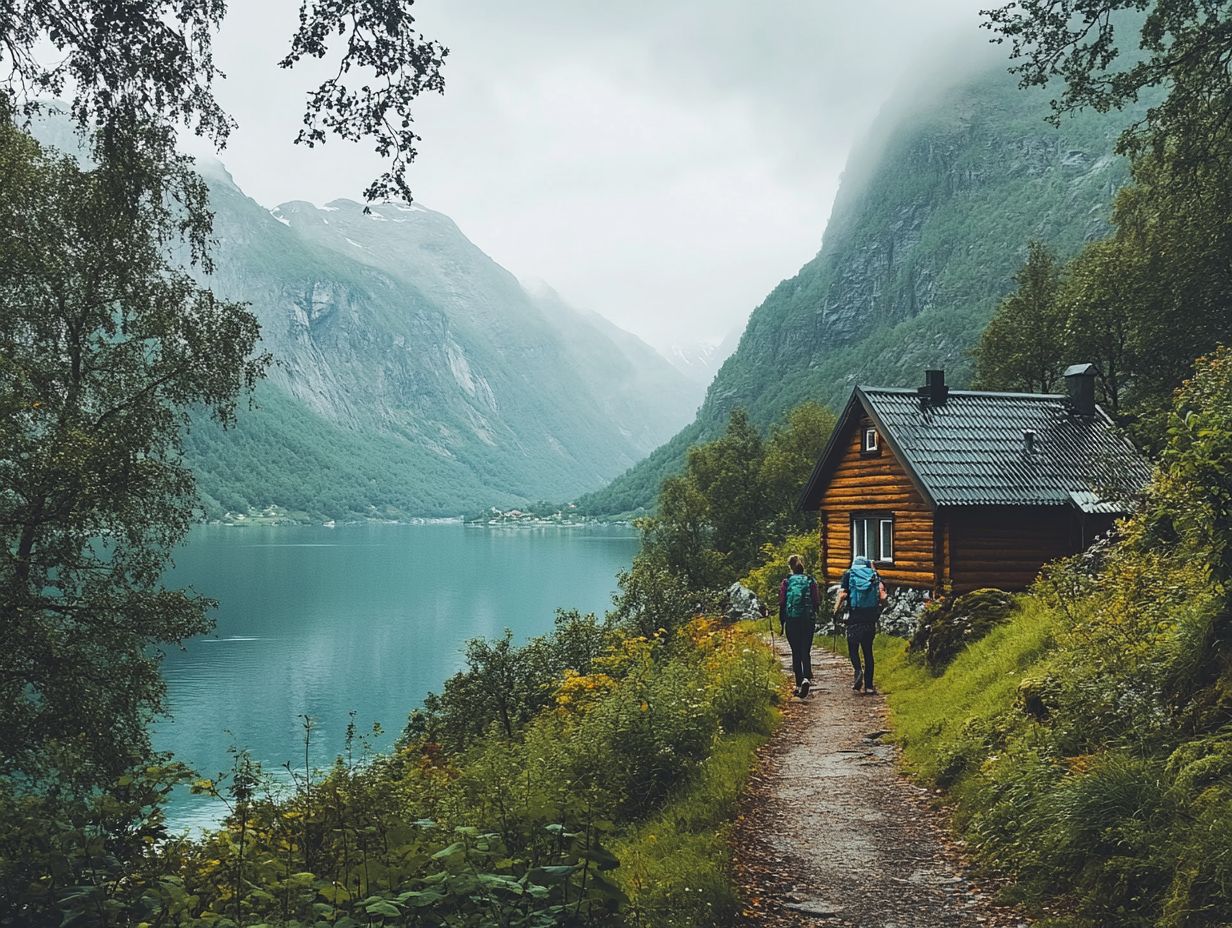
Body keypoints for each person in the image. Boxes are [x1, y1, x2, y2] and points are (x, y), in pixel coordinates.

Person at [835, 555, 887, 695]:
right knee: (868, 651)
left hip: (854, 618)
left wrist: (836, 610)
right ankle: (869, 686)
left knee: (853, 648)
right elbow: (882, 596)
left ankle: (858, 670)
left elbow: (842, 595)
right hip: (869, 618)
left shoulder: (849, 574)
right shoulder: (874, 575)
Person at [779, 554, 820, 698]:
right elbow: (816, 601)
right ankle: (807, 678)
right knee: (805, 650)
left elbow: (782, 602)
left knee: (795, 651)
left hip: (792, 620)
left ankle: (798, 683)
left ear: (790, 567)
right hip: (808, 620)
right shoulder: (810, 580)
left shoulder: (786, 582)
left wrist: (782, 622)